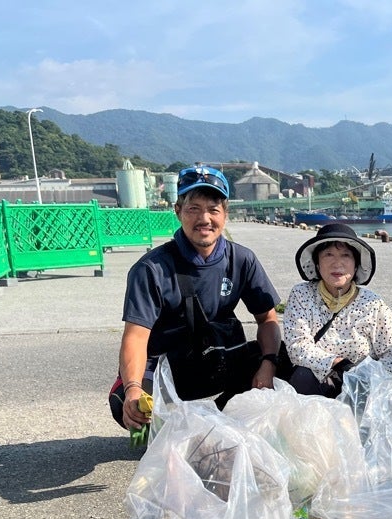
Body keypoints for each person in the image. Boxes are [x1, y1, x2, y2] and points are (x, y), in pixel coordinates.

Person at [110, 165, 286, 432]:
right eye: (193, 209)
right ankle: (178, 424)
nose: (204, 219)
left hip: (220, 358)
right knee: (125, 403)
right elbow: (135, 337)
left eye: (213, 209)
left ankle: (220, 420)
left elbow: (268, 319)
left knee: (286, 359)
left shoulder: (242, 259)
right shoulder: (151, 269)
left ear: (225, 214)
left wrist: (269, 364)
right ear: (178, 211)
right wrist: (133, 388)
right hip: (168, 366)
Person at [284, 222, 392, 397]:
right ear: (317, 263)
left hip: (362, 389)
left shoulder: (373, 303)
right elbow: (297, 346)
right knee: (303, 376)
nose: (337, 263)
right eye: (328, 254)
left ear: (356, 265)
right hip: (316, 386)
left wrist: (365, 375)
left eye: (346, 255)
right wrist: (337, 363)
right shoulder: (301, 294)